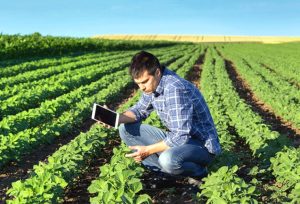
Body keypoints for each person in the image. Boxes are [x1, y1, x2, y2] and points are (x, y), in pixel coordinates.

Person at [117, 51, 221, 183]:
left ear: (157, 72)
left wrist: (148, 150)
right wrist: (116, 117)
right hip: (181, 140)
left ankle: (199, 174)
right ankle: (164, 174)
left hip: (201, 146)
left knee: (167, 160)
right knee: (125, 129)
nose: (142, 87)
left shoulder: (175, 89)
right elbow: (139, 110)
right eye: (138, 83)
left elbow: (180, 135)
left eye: (145, 81)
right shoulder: (153, 85)